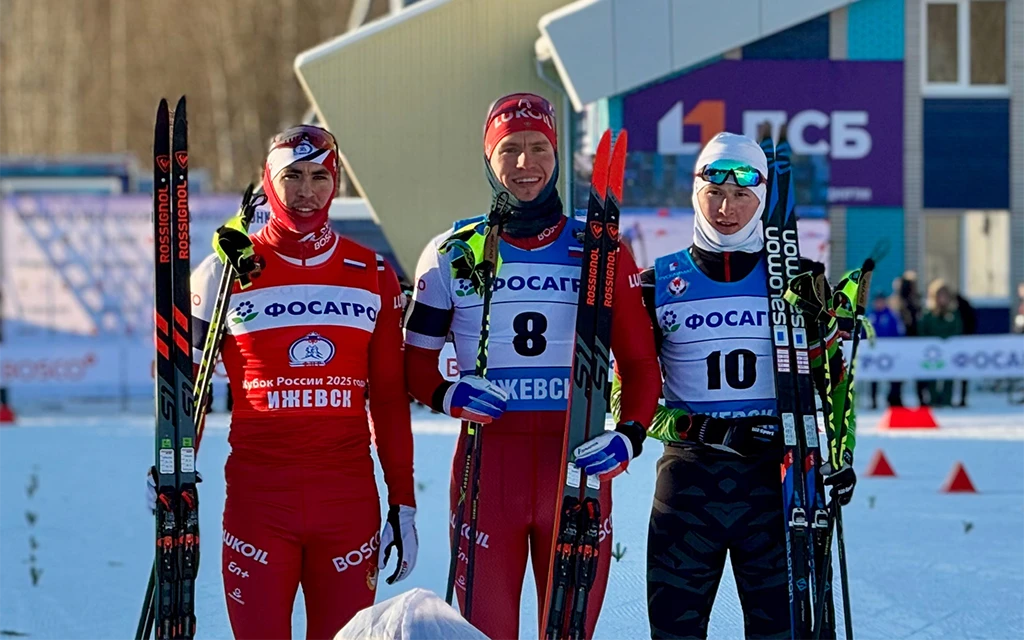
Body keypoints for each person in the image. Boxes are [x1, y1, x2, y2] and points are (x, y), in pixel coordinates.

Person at [402, 92, 661, 640]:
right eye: (510, 150)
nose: (526, 164)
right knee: (486, 631)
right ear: (488, 159)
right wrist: (448, 394)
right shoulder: (452, 251)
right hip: (487, 469)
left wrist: (630, 436)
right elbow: (415, 363)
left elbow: (639, 363)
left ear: (557, 155)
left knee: (567, 631)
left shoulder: (600, 251)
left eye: (539, 148)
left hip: (577, 468)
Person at [148, 125, 419, 640]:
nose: (306, 191)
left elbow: (386, 398)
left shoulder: (373, 272)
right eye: (291, 176)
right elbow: (188, 390)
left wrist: (402, 500)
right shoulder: (224, 271)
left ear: (335, 183)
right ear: (268, 181)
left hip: (346, 500)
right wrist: (170, 467)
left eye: (320, 176)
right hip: (258, 500)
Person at [617, 133, 857, 640]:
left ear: (763, 197)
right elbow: (627, 397)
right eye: (714, 193)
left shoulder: (799, 279)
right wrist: (701, 428)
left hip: (777, 490)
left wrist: (840, 457)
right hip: (688, 488)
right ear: (695, 193)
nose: (727, 208)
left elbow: (835, 386)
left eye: (743, 196)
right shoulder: (656, 283)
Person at [919, 278, 963, 407]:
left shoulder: (953, 313)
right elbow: (922, 330)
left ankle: (947, 400)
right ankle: (933, 400)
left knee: (949, 376)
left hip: (949, 351)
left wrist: (946, 339)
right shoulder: (928, 314)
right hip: (932, 352)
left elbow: (957, 329)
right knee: (932, 375)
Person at [866, 292, 904, 409]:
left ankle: (894, 398)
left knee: (895, 375)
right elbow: (864, 333)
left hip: (890, 351)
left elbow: (898, 332)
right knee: (873, 376)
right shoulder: (871, 316)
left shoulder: (892, 316)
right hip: (875, 351)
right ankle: (873, 399)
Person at [953, 291, 977, 407]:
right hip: (960, 345)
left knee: (963, 374)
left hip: (962, 346)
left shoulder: (961, 311)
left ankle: (961, 398)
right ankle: (960, 397)